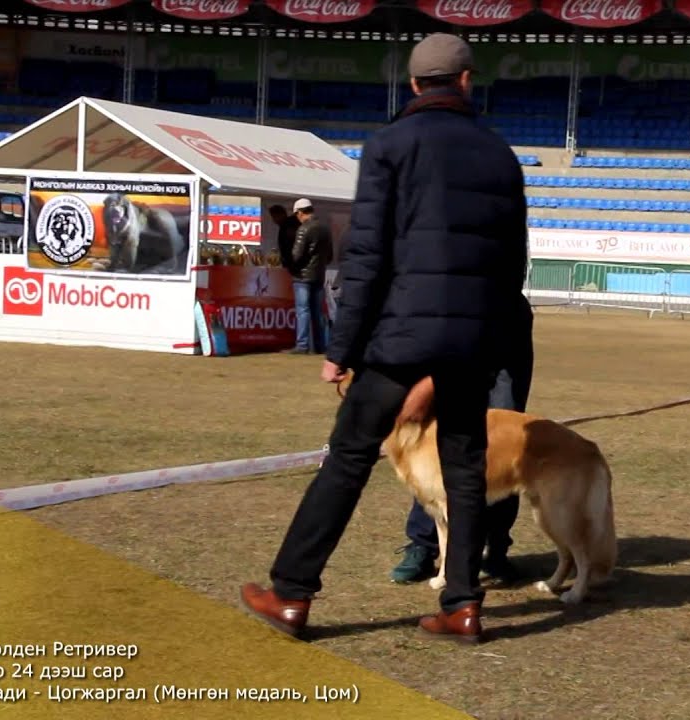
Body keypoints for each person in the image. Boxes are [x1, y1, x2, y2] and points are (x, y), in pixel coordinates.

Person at [239, 33, 529, 644]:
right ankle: (462, 603)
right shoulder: (500, 155)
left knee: (347, 459)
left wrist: (339, 350)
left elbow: (366, 256)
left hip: (401, 336)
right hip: (472, 340)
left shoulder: (389, 145)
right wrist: (494, 338)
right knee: (466, 469)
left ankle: (292, 592)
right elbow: (512, 262)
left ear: (415, 85)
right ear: (468, 81)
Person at [392, 294, 534, 585]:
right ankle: (423, 545)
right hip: (455, 325)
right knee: (432, 447)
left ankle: (495, 550)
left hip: (504, 327)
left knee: (504, 451)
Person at [287, 199, 333, 355]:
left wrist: (291, 266)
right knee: (317, 311)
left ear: (300, 212)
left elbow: (297, 255)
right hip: (319, 275)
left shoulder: (304, 229)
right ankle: (320, 346)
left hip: (302, 276)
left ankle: (302, 344)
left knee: (303, 310)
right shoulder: (325, 229)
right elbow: (329, 256)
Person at [268, 204, 300, 273]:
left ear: (281, 214)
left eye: (274, 216)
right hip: (291, 265)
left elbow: (290, 246)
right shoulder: (287, 225)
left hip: (293, 265)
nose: (274, 220)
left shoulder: (289, 226)